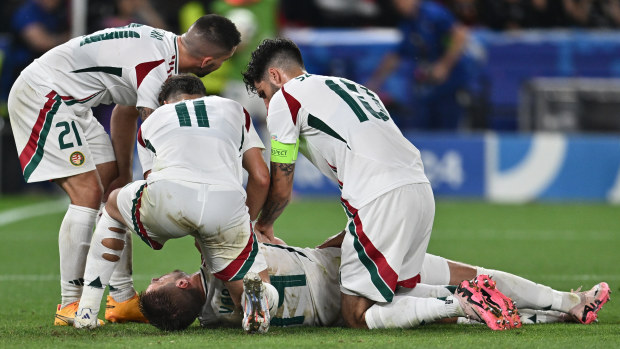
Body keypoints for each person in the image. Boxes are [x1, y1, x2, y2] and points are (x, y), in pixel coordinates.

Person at [240, 38, 522, 330]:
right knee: (402, 292)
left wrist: (263, 225)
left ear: (275, 76)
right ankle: (544, 308)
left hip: (381, 199)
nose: (266, 104)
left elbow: (282, 187)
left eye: (263, 94)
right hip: (419, 189)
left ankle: (460, 302)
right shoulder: (353, 88)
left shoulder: (285, 100)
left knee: (355, 314)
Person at [7, 14, 243, 326]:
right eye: (225, 60)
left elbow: (125, 112)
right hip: (46, 94)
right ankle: (70, 304)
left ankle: (121, 299)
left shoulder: (164, 50)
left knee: (111, 194)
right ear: (210, 61)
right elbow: (154, 131)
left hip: (73, 103)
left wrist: (123, 174)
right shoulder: (159, 70)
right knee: (87, 193)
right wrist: (156, 182)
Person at [72, 74, 278, 333]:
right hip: (226, 204)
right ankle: (257, 303)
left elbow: (152, 181)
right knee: (250, 283)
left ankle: (88, 309)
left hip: (170, 196)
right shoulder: (234, 109)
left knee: (113, 206)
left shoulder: (153, 120)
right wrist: (244, 223)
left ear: (163, 101)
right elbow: (260, 177)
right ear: (204, 96)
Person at [140, 234, 610, 330]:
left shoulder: (217, 319)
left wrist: (138, 307)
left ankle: (550, 309)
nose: (162, 273)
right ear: (181, 286)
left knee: (449, 296)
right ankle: (568, 301)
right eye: (162, 279)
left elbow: (157, 307)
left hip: (339, 302)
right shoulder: (226, 258)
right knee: (471, 276)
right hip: (352, 269)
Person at [366, 0, 470, 130]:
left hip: (452, 82)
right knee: (425, 124)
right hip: (430, 85)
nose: (399, 4)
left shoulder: (432, 13)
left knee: (449, 126)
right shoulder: (408, 24)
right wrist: (374, 83)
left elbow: (460, 35)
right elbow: (396, 56)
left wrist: (444, 66)